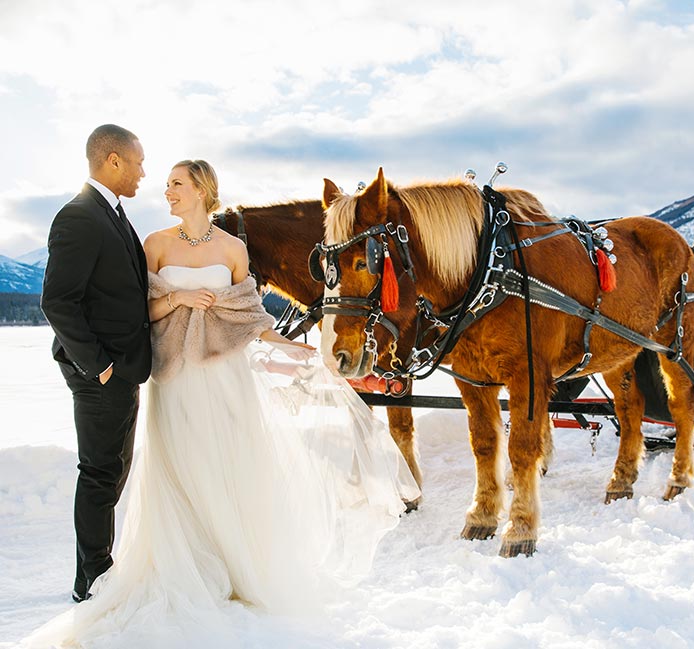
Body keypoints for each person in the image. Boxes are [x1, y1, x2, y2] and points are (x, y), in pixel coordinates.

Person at [26, 160, 420, 647]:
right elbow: (141, 310)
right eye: (166, 182)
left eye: (175, 183)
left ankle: (234, 564)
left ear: (201, 191)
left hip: (226, 375)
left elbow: (250, 314)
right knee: (181, 467)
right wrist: (178, 301)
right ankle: (183, 564)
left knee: (230, 464)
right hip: (176, 377)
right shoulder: (155, 244)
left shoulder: (234, 249)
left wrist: (288, 344)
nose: (165, 189)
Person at [40, 124, 151, 605]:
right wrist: (99, 366)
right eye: (139, 162)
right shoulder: (80, 216)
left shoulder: (114, 215)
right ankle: (92, 579)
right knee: (100, 473)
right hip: (100, 373)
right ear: (113, 160)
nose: (144, 172)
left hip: (123, 370)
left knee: (114, 470)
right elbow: (57, 301)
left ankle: (98, 570)